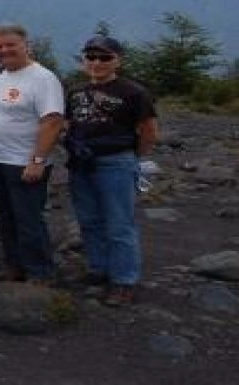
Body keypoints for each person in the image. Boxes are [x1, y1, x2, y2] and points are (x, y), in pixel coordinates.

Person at [65, 35, 158, 307]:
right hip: (81, 163)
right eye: (91, 57)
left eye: (105, 57)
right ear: (84, 60)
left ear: (118, 60)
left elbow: (149, 130)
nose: (97, 62)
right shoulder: (75, 92)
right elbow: (69, 123)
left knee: (119, 224)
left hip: (116, 163)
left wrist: (133, 157)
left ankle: (124, 280)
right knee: (89, 220)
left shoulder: (134, 92)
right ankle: (99, 268)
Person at [0, 24, 64, 285]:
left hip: (23, 162)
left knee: (28, 219)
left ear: (26, 45)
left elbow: (52, 121)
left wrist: (37, 160)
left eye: (10, 45)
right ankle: (15, 265)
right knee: (4, 217)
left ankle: (40, 272)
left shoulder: (42, 78)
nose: (4, 50)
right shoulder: (0, 75)